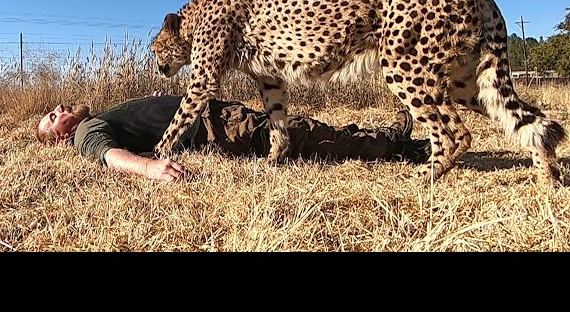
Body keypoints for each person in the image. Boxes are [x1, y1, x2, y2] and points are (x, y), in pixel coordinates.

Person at [36, 92, 431, 182]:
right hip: (216, 126)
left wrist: (159, 104)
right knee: (307, 135)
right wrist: (152, 168)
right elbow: (108, 155)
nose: (59, 110)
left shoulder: (98, 116)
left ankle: (387, 140)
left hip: (216, 115)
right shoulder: (86, 133)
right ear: (60, 138)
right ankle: (398, 146)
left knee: (307, 130)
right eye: (53, 118)